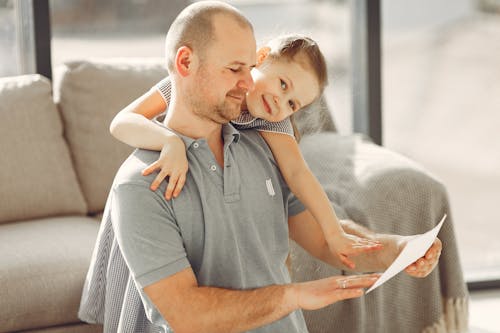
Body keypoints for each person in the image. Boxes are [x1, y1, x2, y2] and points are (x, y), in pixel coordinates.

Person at [79, 2, 442, 332]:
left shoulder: (263, 141)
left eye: (251, 67)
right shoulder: (142, 183)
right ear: (185, 63)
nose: (246, 82)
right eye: (235, 68)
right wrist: (294, 296)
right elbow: (186, 314)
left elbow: (320, 233)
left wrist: (397, 249)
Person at [110, 33, 381, 269]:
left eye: (292, 104)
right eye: (283, 84)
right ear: (260, 58)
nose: (280, 102)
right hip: (151, 203)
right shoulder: (198, 81)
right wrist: (170, 141)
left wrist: (333, 232)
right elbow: (121, 122)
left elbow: (298, 173)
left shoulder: (272, 120)